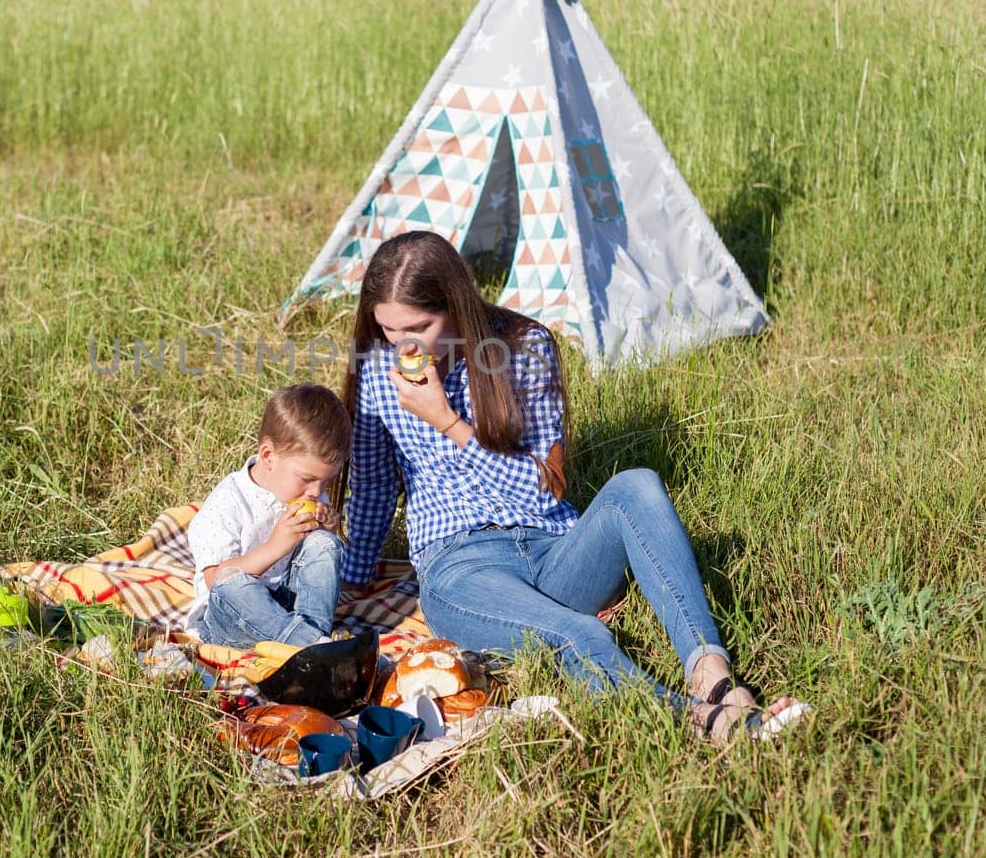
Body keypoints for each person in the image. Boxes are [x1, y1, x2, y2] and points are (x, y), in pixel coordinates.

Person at [335, 231, 808, 741]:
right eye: (389, 330)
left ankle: (715, 679)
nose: (403, 345)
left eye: (419, 327)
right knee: (582, 633)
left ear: (455, 307)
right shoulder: (378, 374)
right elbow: (374, 490)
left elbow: (544, 493)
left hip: (554, 547)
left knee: (639, 485)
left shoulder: (522, 348)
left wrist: (449, 423)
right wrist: (350, 581)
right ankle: (701, 723)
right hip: (461, 565)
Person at [187, 383, 349, 649]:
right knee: (231, 582)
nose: (316, 491)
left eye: (326, 481)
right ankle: (315, 646)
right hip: (230, 620)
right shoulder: (228, 502)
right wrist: (276, 546)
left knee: (324, 544)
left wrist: (328, 531)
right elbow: (215, 580)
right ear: (268, 456)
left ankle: (308, 640)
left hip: (289, 609)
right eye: (308, 479)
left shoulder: (309, 494)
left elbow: (312, 565)